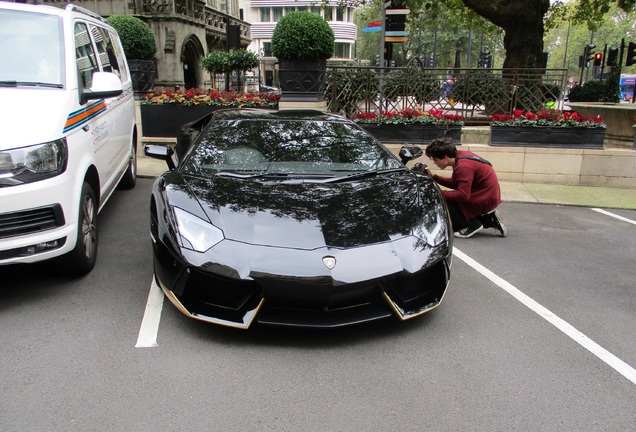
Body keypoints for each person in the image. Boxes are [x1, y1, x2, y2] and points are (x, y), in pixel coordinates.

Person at [422, 137, 506, 238]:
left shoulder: (463, 166)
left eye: (435, 159)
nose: (434, 163)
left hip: (485, 196)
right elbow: (456, 183)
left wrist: (437, 192)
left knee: (444, 201)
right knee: (449, 198)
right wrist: (434, 177)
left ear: (445, 157)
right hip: (485, 193)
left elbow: (463, 195)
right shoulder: (460, 157)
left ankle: (472, 225)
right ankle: (489, 219)